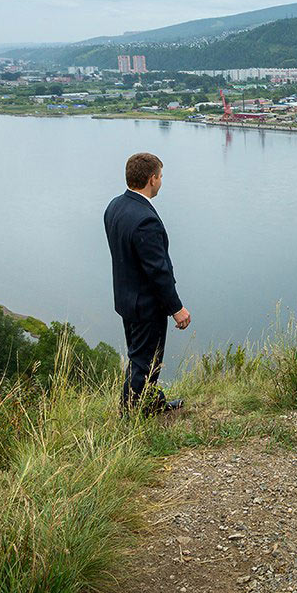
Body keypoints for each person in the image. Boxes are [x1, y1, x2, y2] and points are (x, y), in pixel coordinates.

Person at [104, 152, 191, 415]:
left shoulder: (115, 206)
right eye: (161, 176)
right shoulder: (145, 219)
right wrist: (177, 308)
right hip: (146, 305)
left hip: (126, 299)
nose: (162, 181)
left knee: (143, 359)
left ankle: (152, 403)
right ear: (152, 179)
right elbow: (157, 271)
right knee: (143, 362)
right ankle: (130, 416)